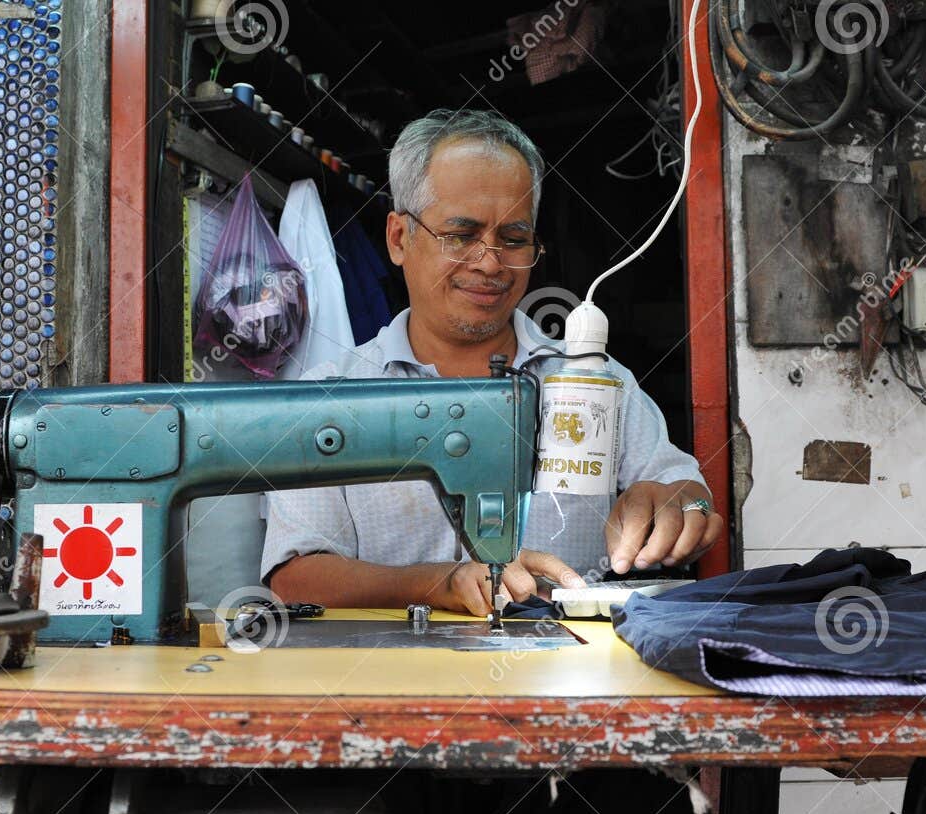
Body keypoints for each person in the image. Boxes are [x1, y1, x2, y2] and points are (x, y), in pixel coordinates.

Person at [261, 109, 721, 614]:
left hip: (566, 678)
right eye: (461, 235)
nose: (489, 262)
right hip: (390, 676)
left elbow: (689, 495)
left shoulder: (597, 383)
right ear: (398, 239)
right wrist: (439, 584)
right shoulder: (331, 395)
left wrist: (682, 506)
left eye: (514, 238)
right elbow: (296, 578)